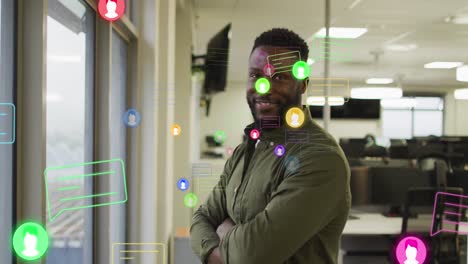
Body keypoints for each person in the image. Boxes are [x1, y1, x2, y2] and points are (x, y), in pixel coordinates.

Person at [190, 28, 351, 264]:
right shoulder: (247, 149)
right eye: (256, 75)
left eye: (279, 77)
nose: (264, 87)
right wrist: (230, 248)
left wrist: (224, 233)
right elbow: (201, 219)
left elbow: (251, 255)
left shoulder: (320, 158)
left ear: (303, 85)